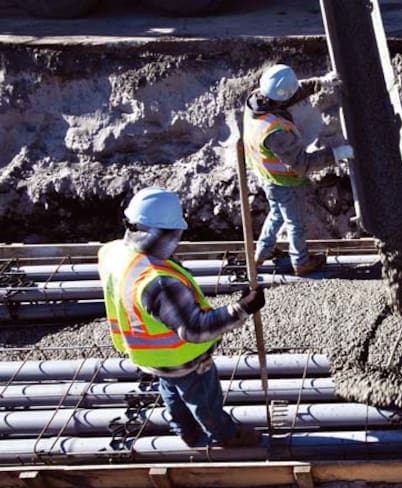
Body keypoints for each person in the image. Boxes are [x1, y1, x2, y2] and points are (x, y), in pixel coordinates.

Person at [98, 186, 265, 448]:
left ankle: (184, 430)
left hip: (147, 355)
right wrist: (242, 308)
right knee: (203, 399)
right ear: (160, 234)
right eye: (174, 235)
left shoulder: (113, 253)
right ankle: (224, 435)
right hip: (183, 357)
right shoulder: (159, 283)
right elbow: (196, 329)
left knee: (171, 390)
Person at [243, 63, 354, 275]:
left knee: (277, 213)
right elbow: (302, 163)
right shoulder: (276, 133)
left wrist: (320, 83)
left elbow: (291, 93)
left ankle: (261, 252)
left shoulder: (258, 100)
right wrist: (336, 154)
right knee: (296, 223)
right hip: (285, 181)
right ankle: (301, 262)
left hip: (266, 175)